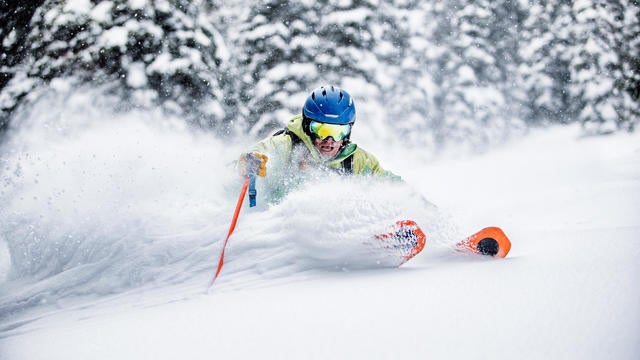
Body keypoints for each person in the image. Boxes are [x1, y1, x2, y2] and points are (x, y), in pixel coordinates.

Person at [238, 85, 400, 204]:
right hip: (282, 225)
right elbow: (255, 155)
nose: (329, 139)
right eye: (321, 130)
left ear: (348, 131)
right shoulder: (286, 146)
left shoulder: (358, 161)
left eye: (338, 132)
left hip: (338, 231)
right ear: (308, 127)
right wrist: (247, 162)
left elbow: (391, 185)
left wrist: (417, 206)